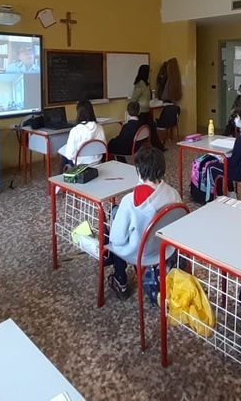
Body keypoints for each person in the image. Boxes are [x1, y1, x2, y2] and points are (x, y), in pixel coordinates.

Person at [105, 146, 182, 297]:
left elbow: (117, 240)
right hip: (165, 248)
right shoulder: (174, 194)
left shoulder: (129, 201)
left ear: (138, 171)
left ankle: (121, 280)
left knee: (114, 220)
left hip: (141, 253)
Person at [58, 99, 107, 170]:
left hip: (80, 165)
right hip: (97, 161)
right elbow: (104, 148)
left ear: (78, 113)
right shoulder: (100, 128)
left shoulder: (76, 130)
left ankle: (59, 175)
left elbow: (70, 155)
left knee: (64, 155)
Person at [129, 64, 163, 149]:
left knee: (152, 128)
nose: (149, 74)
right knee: (139, 131)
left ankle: (158, 147)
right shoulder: (140, 84)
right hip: (140, 112)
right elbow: (134, 98)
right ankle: (133, 148)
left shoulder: (146, 84)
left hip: (146, 111)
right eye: (148, 72)